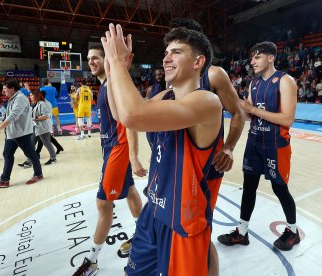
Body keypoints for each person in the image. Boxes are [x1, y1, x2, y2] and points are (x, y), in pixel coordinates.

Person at [102, 24, 222, 276]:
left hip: (182, 221)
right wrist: (113, 70)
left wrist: (118, 62)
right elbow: (121, 115)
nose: (166, 58)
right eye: (166, 52)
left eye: (176, 52)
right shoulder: (166, 95)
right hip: (153, 211)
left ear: (198, 61)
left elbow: (133, 115)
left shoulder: (207, 101)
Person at [166, 18, 246, 276]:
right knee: (179, 233)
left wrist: (229, 147)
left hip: (206, 168)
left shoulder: (214, 74)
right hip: (178, 167)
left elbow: (239, 113)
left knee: (201, 233)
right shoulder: (173, 79)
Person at [218, 41, 300, 251]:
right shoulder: (254, 83)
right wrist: (233, 107)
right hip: (254, 142)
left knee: (280, 188)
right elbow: (247, 115)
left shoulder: (285, 81)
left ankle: (293, 231)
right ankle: (242, 232)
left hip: (276, 145)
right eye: (252, 57)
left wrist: (252, 110)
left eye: (257, 57)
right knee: (249, 187)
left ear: (270, 58)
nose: (252, 61)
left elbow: (287, 119)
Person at [73, 44, 147, 275]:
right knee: (131, 191)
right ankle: (144, 235)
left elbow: (130, 121)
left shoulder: (114, 83)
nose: (91, 62)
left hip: (118, 149)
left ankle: (92, 260)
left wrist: (133, 157)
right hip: (111, 148)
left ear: (107, 60)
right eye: (89, 59)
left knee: (103, 204)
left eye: (96, 58)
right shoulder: (105, 84)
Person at [0, 79, 43, 188]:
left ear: (12, 88)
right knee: (7, 154)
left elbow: (13, 116)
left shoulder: (21, 98)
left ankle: (38, 174)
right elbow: (10, 114)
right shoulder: (13, 98)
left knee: (30, 154)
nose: (4, 91)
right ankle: (4, 180)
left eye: (5, 89)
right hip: (12, 133)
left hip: (21, 133)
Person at [19, 91, 57, 166]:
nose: (30, 97)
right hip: (36, 127)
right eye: (30, 95)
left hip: (43, 127)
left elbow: (45, 116)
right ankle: (29, 161)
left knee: (47, 143)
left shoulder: (43, 104)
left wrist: (34, 118)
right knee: (31, 144)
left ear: (36, 95)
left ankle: (53, 158)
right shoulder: (35, 104)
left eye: (32, 95)